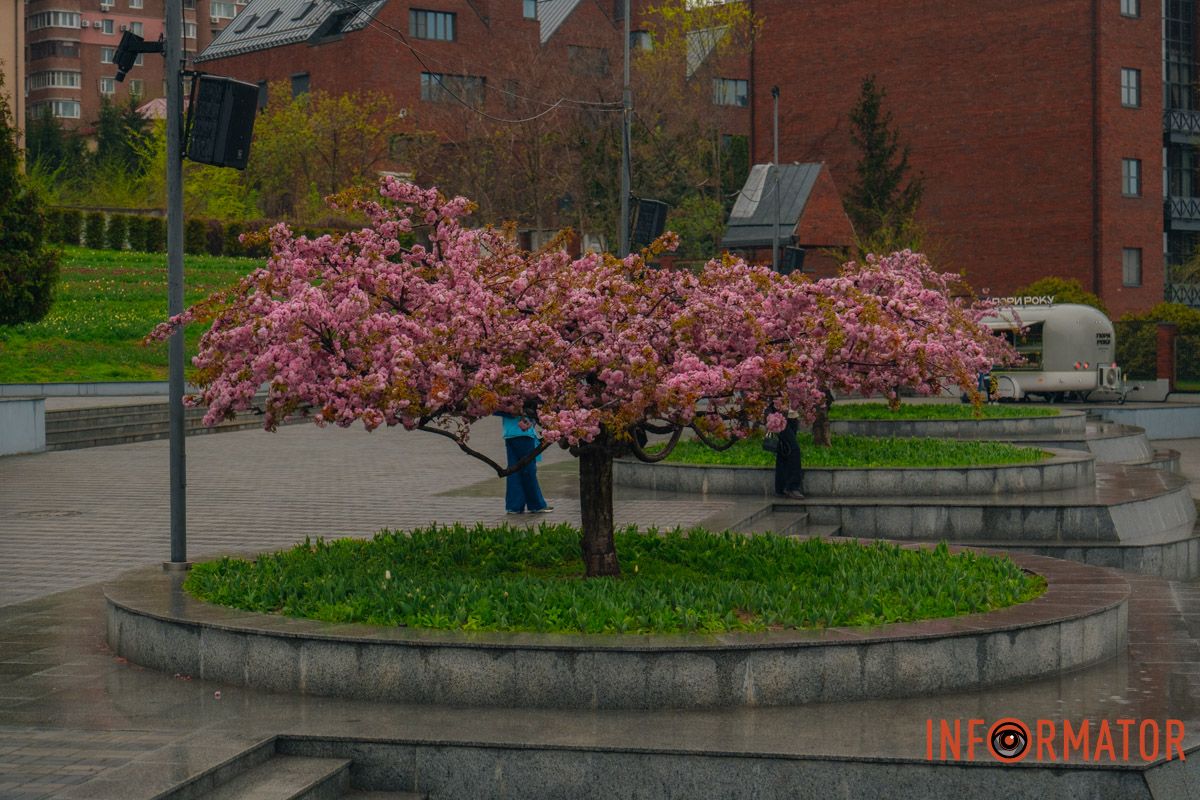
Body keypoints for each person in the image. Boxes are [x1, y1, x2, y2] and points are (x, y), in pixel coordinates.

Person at [500, 412, 553, 514]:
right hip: (524, 434)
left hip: (509, 434)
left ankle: (514, 506)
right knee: (528, 471)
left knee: (513, 471)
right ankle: (536, 505)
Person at [775, 412, 805, 500]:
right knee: (794, 450)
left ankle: (781, 487)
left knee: (784, 450)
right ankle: (792, 487)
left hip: (792, 416)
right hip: (778, 417)